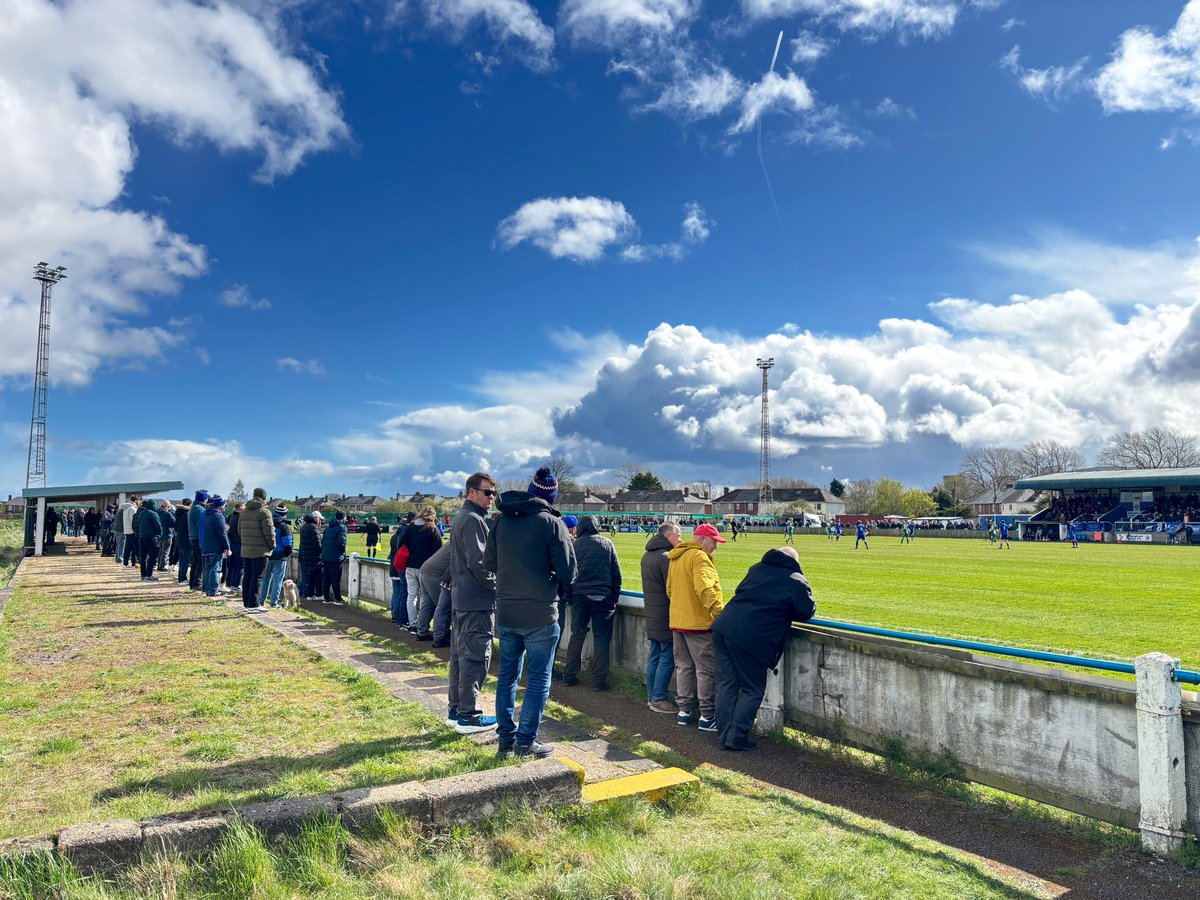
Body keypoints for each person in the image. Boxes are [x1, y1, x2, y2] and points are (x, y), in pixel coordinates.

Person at [485, 467, 577, 759]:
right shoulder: (552, 523)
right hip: (540, 613)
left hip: (507, 610)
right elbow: (568, 572)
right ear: (552, 497)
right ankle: (525, 742)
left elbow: (489, 563)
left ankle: (505, 740)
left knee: (507, 676)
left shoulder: (501, 521)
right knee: (537, 679)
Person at [711, 546, 815, 751]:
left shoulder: (757, 568)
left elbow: (740, 591)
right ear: (795, 561)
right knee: (752, 689)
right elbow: (806, 611)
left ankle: (724, 735)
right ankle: (736, 738)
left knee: (726, 685)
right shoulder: (795, 579)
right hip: (751, 636)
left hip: (723, 626)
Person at [447, 473, 499, 734]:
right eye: (487, 492)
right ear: (472, 492)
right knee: (475, 657)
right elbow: (479, 564)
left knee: (461, 656)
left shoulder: (464, 517)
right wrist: (498, 588)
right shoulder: (473, 519)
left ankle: (457, 710)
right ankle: (469, 715)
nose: (492, 498)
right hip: (476, 600)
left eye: (494, 493)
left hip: (464, 598)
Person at [667, 522, 725, 732]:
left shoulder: (677, 556)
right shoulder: (699, 557)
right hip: (698, 624)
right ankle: (707, 716)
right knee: (706, 670)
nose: (715, 546)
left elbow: (669, 590)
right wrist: (720, 615)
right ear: (701, 539)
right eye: (713, 541)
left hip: (678, 621)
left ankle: (684, 711)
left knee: (683, 667)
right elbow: (705, 589)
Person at [562, 515, 621, 691]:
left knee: (577, 635)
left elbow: (567, 574)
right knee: (601, 640)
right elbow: (616, 574)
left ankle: (569, 675)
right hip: (602, 597)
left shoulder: (574, 545)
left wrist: (570, 597)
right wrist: (613, 598)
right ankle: (598, 681)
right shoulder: (607, 544)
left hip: (580, 597)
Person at [641, 521, 680, 714]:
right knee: (667, 656)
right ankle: (658, 698)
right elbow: (673, 589)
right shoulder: (666, 558)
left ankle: (652, 697)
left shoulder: (647, 555)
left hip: (653, 613)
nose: (680, 539)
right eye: (678, 535)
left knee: (655, 655)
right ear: (668, 536)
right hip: (665, 614)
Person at [402, 505, 443, 634]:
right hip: (426, 568)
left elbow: (402, 543)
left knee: (411, 596)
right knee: (425, 598)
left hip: (410, 565)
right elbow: (439, 552)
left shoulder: (411, 527)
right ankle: (422, 626)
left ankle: (413, 624)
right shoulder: (432, 529)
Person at [238, 487, 274, 609]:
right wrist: (272, 546)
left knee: (247, 576)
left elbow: (239, 530)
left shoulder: (244, 511)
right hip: (261, 550)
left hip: (246, 549)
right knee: (258, 577)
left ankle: (247, 603)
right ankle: (254, 605)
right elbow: (269, 532)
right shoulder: (264, 512)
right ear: (264, 497)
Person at [417, 540, 453, 644]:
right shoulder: (463, 542)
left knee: (427, 603)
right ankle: (441, 635)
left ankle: (421, 632)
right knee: (443, 607)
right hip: (436, 575)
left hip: (424, 570)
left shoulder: (452, 541)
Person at [262, 504, 293, 608]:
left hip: (267, 554)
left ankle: (261, 600)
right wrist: (287, 554)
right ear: (285, 514)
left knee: (265, 579)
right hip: (280, 556)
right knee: (278, 580)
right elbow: (287, 542)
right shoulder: (284, 526)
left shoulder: (267, 523)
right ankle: (273, 602)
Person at [200, 495, 231, 597]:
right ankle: (213, 591)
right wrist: (227, 547)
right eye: (224, 505)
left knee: (208, 569)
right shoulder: (218, 515)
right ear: (220, 506)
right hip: (215, 547)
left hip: (207, 546)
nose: (225, 506)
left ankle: (208, 590)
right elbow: (222, 533)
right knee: (215, 569)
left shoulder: (207, 514)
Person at [387, 512, 414, 628]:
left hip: (394, 566)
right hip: (400, 566)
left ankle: (395, 615)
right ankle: (400, 618)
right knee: (402, 593)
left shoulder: (394, 536)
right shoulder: (405, 535)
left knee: (396, 592)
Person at [320, 511, 348, 605]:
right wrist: (341, 553)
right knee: (335, 578)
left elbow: (323, 541)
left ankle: (326, 598)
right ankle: (338, 599)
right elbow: (342, 542)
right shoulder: (342, 527)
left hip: (326, 556)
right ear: (343, 518)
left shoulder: (327, 528)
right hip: (335, 557)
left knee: (326, 577)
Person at [136, 499, 164, 581]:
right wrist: (160, 534)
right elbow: (158, 526)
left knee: (143, 557)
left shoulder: (141, 513)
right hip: (152, 538)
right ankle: (148, 575)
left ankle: (143, 575)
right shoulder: (153, 514)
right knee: (152, 557)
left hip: (142, 537)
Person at [298, 513, 323, 601]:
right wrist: (321, 550)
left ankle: (309, 594)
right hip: (314, 555)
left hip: (306, 554)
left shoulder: (303, 527)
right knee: (317, 575)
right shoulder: (314, 527)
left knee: (309, 576)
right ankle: (318, 594)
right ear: (316, 518)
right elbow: (317, 543)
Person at [187, 491, 208, 590]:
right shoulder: (200, 509)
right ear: (204, 499)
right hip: (198, 537)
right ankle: (197, 582)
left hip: (192, 537)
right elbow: (202, 525)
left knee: (195, 561)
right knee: (201, 561)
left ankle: (192, 582)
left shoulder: (193, 507)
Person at [225, 502, 245, 590]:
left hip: (231, 543)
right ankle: (236, 584)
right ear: (241, 508)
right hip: (239, 543)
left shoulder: (230, 517)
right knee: (240, 565)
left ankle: (229, 583)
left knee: (232, 565)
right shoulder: (241, 518)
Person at [174, 499, 192, 582]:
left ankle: (180, 577)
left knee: (182, 560)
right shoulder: (187, 514)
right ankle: (182, 579)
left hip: (179, 538)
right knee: (185, 560)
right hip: (186, 540)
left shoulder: (178, 514)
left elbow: (176, 527)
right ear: (190, 504)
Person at [156, 501, 175, 571]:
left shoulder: (157, 513)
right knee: (165, 551)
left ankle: (159, 565)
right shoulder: (168, 514)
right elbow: (174, 523)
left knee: (160, 551)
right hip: (167, 534)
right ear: (167, 507)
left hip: (159, 535)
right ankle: (163, 566)